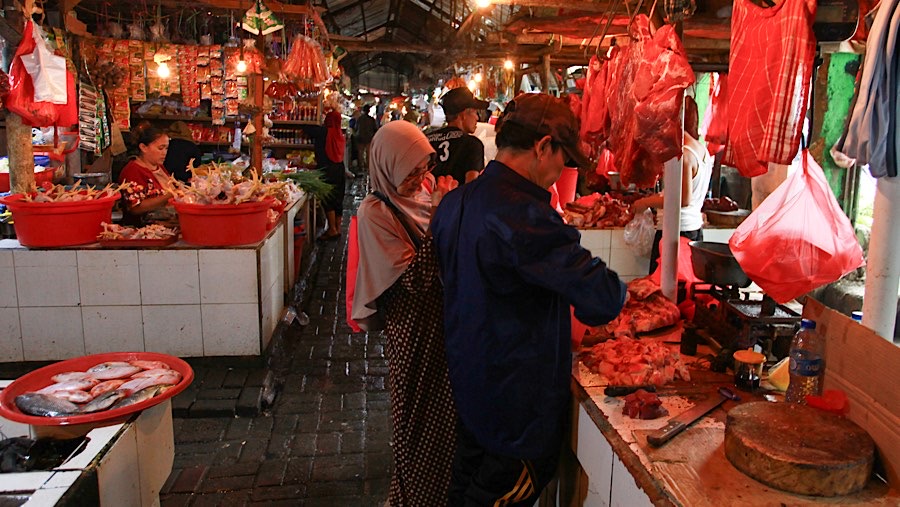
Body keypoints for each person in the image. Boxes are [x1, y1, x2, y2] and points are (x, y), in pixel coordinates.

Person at [431, 93, 627, 505]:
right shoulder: (525, 216)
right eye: (563, 159)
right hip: (515, 419)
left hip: (471, 397)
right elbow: (603, 298)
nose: (562, 171)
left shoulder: (454, 204)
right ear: (542, 147)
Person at [351, 120, 459, 506]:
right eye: (411, 170)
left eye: (424, 167)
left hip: (441, 324)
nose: (421, 178)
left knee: (445, 421)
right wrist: (444, 217)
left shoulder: (422, 192)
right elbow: (414, 279)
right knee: (418, 419)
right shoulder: (375, 212)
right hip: (413, 330)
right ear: (387, 164)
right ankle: (416, 498)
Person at [632, 97, 713, 273]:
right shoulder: (701, 149)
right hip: (691, 228)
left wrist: (646, 202)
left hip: (678, 230)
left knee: (664, 285)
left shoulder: (683, 156)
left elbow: (683, 199)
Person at [426, 87, 489, 185]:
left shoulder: (427, 140)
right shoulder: (472, 144)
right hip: (455, 199)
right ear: (463, 114)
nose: (477, 117)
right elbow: (471, 188)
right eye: (475, 112)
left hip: (424, 199)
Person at [118, 122, 174, 226]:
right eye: (160, 148)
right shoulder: (132, 171)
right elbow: (135, 208)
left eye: (166, 148)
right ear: (143, 147)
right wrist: (169, 195)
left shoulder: (159, 167)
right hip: (142, 230)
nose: (164, 153)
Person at [316, 105, 347, 240]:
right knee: (338, 198)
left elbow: (308, 129)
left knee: (328, 199)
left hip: (328, 169)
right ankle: (338, 228)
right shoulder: (340, 134)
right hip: (340, 168)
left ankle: (332, 229)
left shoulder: (325, 132)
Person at [354, 105, 377, 173]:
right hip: (369, 138)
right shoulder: (371, 119)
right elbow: (375, 129)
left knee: (360, 153)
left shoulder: (359, 119)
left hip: (360, 138)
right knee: (368, 154)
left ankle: (361, 167)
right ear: (369, 111)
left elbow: (356, 128)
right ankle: (368, 168)